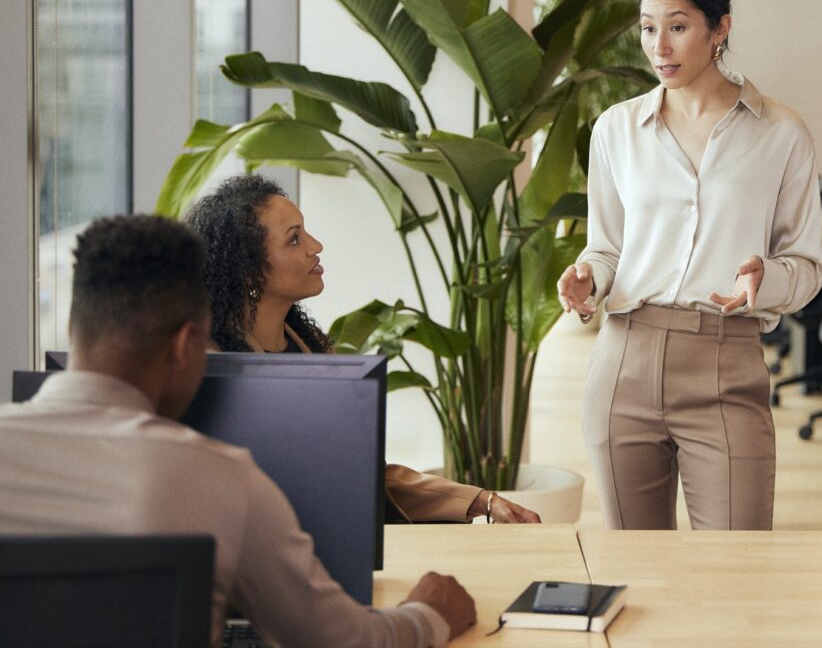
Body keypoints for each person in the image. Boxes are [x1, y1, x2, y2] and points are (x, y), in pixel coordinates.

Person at [0, 215, 476, 647]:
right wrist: (429, 614)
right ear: (187, 344)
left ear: (74, 325)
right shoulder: (221, 479)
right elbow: (342, 642)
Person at [556, 0, 822, 530]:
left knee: (734, 567)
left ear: (720, 28)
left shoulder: (782, 134)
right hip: (625, 359)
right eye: (649, 30)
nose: (660, 47)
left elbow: (807, 264)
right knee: (637, 568)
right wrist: (589, 275)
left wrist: (766, 279)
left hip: (726, 363)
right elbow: (606, 246)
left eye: (678, 27)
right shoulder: (617, 131)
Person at [184, 174, 540, 525]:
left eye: (305, 231)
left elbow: (359, 473)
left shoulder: (311, 350)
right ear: (247, 271)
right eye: (294, 239)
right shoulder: (214, 375)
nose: (315, 245)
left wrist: (481, 500)